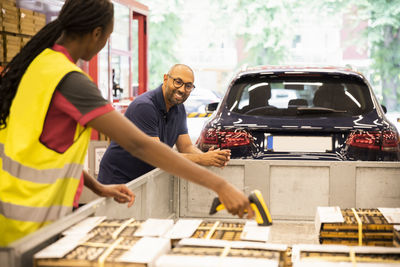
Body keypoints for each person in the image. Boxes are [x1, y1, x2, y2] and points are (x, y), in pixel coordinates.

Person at [0, 0, 253, 246]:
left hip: (12, 212)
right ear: (96, 34)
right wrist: (220, 185)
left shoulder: (40, 65)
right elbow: (139, 145)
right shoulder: (70, 81)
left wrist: (98, 187)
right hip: (28, 221)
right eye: (108, 37)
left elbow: (45, 151)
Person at [98, 64, 231, 184]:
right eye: (178, 82)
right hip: (117, 179)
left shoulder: (178, 108)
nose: (182, 89)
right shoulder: (144, 107)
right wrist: (202, 160)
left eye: (188, 86)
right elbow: (156, 155)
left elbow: (186, 146)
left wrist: (209, 157)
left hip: (142, 179)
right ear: (166, 79)